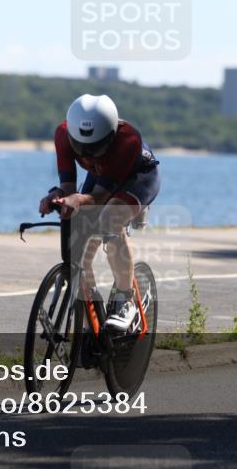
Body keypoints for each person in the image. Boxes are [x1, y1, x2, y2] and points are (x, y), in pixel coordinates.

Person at [38, 94, 160, 332]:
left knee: (110, 219)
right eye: (80, 147)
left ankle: (125, 299)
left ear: (111, 135)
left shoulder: (128, 139)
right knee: (80, 251)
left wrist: (77, 200)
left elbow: (99, 198)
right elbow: (69, 190)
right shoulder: (62, 134)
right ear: (71, 134)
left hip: (137, 176)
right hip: (102, 172)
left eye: (95, 147)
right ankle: (90, 324)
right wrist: (58, 196)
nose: (87, 153)